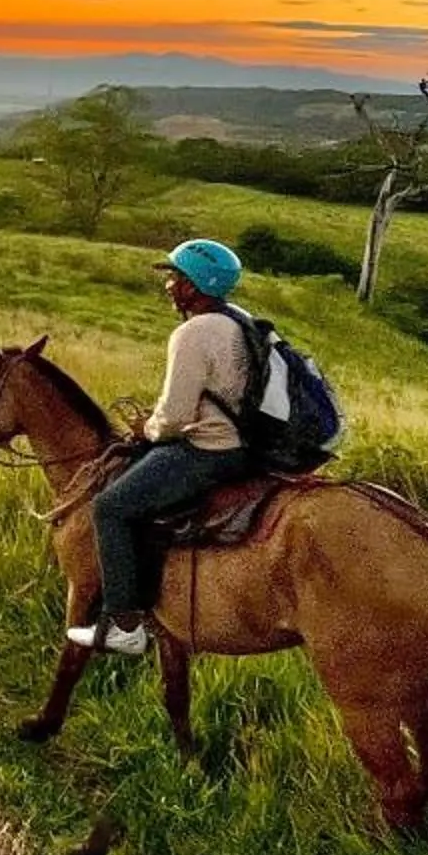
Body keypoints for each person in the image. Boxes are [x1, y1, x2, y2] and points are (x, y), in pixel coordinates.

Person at [86, 238, 262, 636]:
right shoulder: (239, 319)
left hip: (211, 450)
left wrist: (147, 428)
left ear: (194, 285)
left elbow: (174, 418)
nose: (168, 285)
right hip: (249, 448)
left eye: (175, 277)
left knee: (110, 507)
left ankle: (123, 626)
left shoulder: (193, 333)